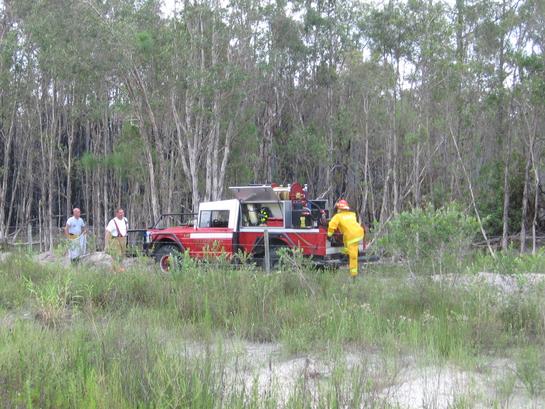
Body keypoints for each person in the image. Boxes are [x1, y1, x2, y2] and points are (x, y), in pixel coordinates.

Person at [327, 200, 365, 278]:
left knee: (353, 256)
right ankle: (346, 252)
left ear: (339, 208)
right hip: (358, 233)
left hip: (351, 236)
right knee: (347, 244)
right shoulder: (352, 214)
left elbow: (331, 225)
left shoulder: (338, 216)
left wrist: (329, 235)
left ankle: (353, 275)